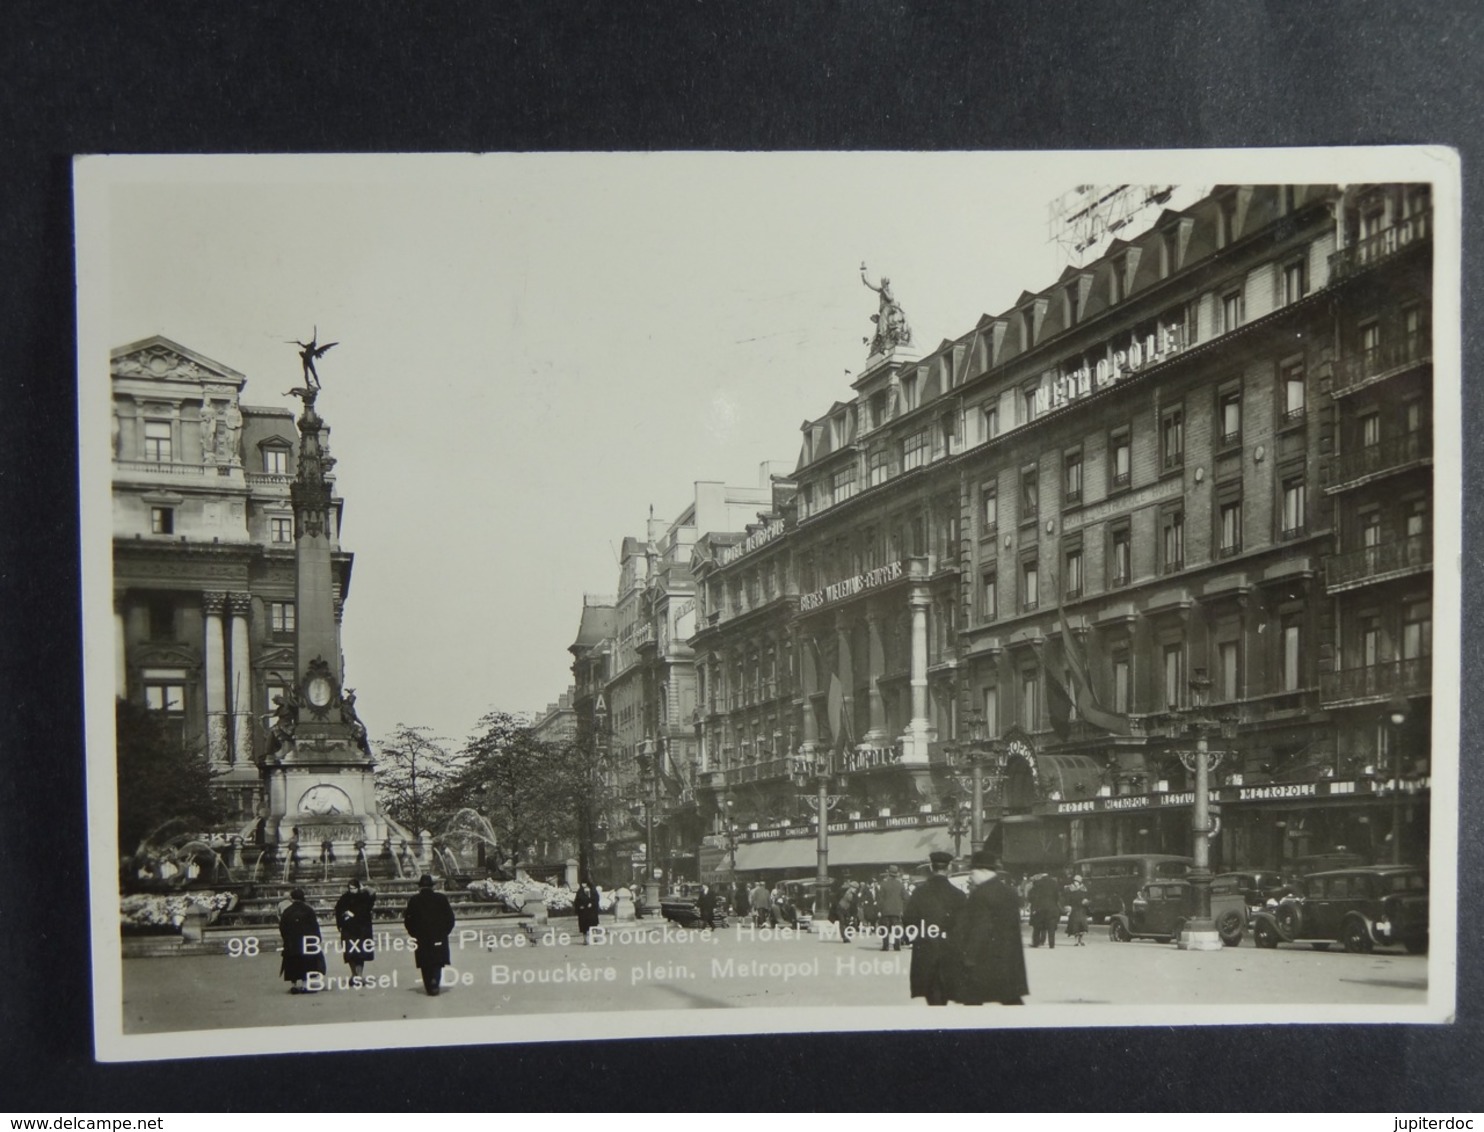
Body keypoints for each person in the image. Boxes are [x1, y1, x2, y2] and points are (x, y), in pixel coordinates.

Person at [947, 850, 1029, 1006]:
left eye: (972, 872)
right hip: (1009, 958)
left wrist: (968, 957)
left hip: (984, 959)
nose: (971, 876)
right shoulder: (1009, 892)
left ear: (983, 871)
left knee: (972, 1000)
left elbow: (980, 928)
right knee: (1010, 998)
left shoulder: (980, 895)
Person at [903, 851, 967, 1006]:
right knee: (944, 995)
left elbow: (908, 920)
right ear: (949, 867)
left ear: (931, 867)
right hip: (950, 952)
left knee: (932, 996)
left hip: (926, 950)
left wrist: (914, 936)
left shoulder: (919, 893)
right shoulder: (959, 895)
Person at [403, 873, 457, 996]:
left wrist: (414, 934)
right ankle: (435, 984)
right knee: (437, 961)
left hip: (421, 936)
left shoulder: (414, 900)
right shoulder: (441, 898)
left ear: (420, 887)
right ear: (432, 886)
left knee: (424, 962)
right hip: (438, 935)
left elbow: (408, 920)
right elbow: (450, 918)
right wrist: (444, 932)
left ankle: (428, 985)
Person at [278, 887, 326, 995]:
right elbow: (315, 926)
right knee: (306, 963)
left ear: (292, 898)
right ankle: (305, 985)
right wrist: (317, 939)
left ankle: (293, 985)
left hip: (292, 942)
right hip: (306, 941)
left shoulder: (287, 911)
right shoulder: (308, 910)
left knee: (292, 963)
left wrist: (286, 939)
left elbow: (282, 927)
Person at [333, 878, 376, 981]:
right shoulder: (344, 898)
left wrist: (364, 887)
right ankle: (354, 974)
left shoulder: (364, 897)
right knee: (350, 953)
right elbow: (338, 911)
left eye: (354, 888)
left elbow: (373, 892)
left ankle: (359, 975)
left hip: (361, 929)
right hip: (349, 929)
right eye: (350, 888)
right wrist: (341, 923)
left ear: (358, 887)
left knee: (360, 954)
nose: (352, 890)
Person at [877, 865, 907, 951]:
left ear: (888, 873)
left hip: (885, 910)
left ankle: (885, 946)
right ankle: (897, 946)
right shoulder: (900, 885)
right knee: (897, 928)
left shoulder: (883, 884)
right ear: (896, 874)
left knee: (885, 928)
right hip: (897, 911)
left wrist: (880, 909)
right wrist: (901, 906)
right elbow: (906, 897)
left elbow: (880, 899)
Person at [1029, 871, 1063, 948]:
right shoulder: (1054, 883)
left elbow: (1031, 896)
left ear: (1041, 875)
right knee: (1051, 926)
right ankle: (1052, 944)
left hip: (1039, 908)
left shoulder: (1037, 883)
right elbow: (1057, 896)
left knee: (1037, 926)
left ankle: (1036, 943)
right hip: (1052, 908)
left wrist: (1034, 904)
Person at [1063, 873, 1090, 946]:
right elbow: (1067, 899)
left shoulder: (1083, 889)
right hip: (1074, 909)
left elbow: (1087, 898)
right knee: (1075, 926)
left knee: (1082, 925)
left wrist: (1086, 901)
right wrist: (1068, 907)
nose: (1076, 883)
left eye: (1077, 881)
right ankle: (1076, 941)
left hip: (1082, 909)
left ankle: (1081, 940)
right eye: (1075, 881)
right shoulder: (1070, 889)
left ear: (1080, 882)